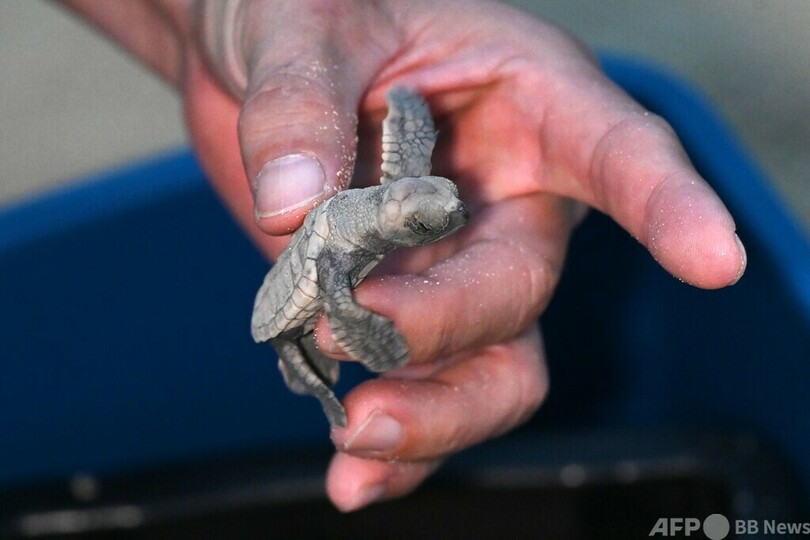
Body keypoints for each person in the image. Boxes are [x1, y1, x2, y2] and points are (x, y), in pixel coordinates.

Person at [58, 0, 747, 512]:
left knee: (380, 322)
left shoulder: (387, 198)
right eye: (428, 218)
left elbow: (409, 151)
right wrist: (368, 335)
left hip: (338, 252)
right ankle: (317, 384)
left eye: (442, 203)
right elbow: (334, 286)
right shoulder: (345, 235)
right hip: (284, 301)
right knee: (313, 349)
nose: (445, 214)